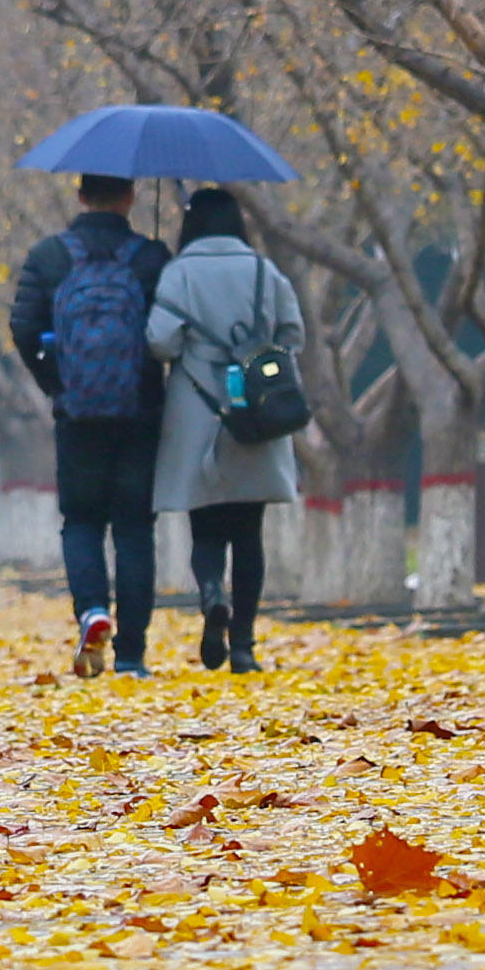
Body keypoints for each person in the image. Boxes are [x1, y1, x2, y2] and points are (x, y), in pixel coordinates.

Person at [8, 174, 165, 675]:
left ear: (80, 196)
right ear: (129, 197)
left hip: (77, 412)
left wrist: (56, 381)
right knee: (135, 527)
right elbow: (168, 332)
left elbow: (22, 325)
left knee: (81, 521)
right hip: (138, 411)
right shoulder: (150, 257)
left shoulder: (49, 256)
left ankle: (93, 611)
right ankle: (133, 654)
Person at [146, 187, 307, 670]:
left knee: (207, 528)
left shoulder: (179, 273)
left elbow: (160, 342)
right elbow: (292, 334)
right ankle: (243, 646)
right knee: (249, 533)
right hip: (254, 412)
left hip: (198, 411)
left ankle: (212, 592)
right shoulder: (262, 270)